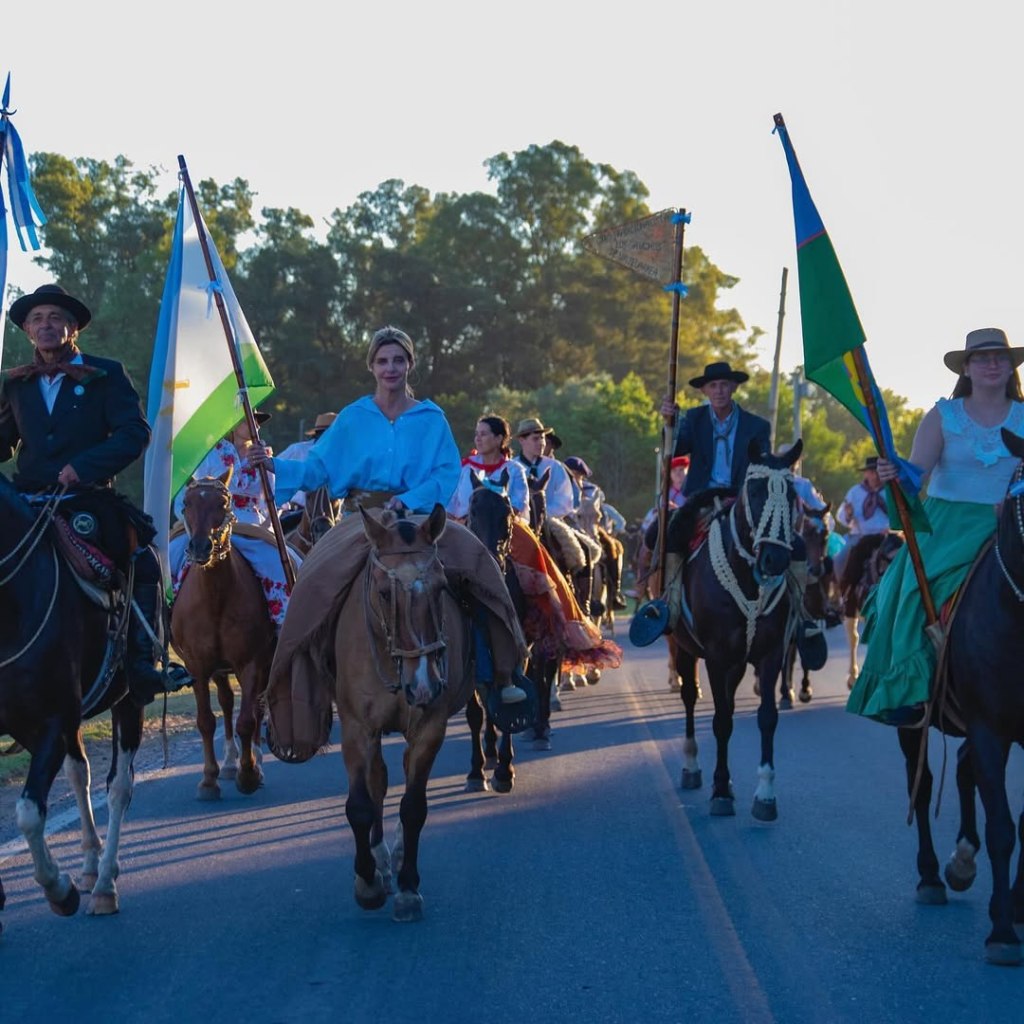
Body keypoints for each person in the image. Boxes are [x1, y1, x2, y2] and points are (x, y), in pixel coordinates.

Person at [248, 325, 528, 706]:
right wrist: (273, 465)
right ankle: (299, 690)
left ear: (410, 364)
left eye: (398, 360)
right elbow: (318, 469)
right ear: (372, 367)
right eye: (382, 361)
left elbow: (446, 474)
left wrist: (409, 500)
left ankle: (500, 668)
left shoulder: (432, 419)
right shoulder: (353, 417)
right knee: (312, 580)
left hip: (418, 520)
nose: (390, 368)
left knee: (479, 565)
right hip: (361, 521)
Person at [0, 284, 189, 702]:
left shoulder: (106, 374)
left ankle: (142, 664)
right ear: (28, 332)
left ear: (72, 328)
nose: (45, 325)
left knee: (141, 556)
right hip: (27, 497)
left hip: (85, 499)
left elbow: (134, 432)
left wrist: (82, 468)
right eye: (36, 320)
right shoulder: (15, 384)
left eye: (54, 317)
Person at [847, 327, 1024, 725]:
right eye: (982, 358)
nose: (992, 364)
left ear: (1010, 366)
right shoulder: (944, 416)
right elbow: (916, 475)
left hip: (1011, 524)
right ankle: (910, 693)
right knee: (908, 592)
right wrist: (896, 472)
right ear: (967, 368)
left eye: (999, 357)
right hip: (946, 527)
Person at [647, 360, 824, 665]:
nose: (719, 390)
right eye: (713, 385)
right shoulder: (694, 418)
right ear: (704, 390)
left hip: (742, 499)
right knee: (668, 535)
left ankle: (800, 614)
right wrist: (669, 424)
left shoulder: (757, 426)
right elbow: (672, 451)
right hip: (701, 499)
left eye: (724, 385)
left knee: (792, 543)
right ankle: (669, 604)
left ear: (734, 388)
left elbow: (761, 466)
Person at [169, 411, 299, 631]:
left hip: (251, 524)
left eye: (257, 421)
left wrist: (266, 466)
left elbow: (270, 501)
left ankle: (285, 625)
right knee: (168, 556)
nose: (254, 424)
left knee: (287, 564)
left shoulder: (263, 456)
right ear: (232, 424)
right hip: (208, 522)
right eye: (248, 419)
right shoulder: (212, 453)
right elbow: (191, 492)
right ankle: (161, 620)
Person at [447, 414, 529, 521]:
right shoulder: (465, 468)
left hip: (502, 526)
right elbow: (450, 505)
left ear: (498, 439)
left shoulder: (515, 470)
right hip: (465, 527)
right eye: (477, 434)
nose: (478, 439)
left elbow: (518, 505)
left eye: (483, 434)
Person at [276, 411, 338, 514]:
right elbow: (273, 471)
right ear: (319, 434)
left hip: (332, 514)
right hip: (297, 511)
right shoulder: (298, 450)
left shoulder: (342, 457)